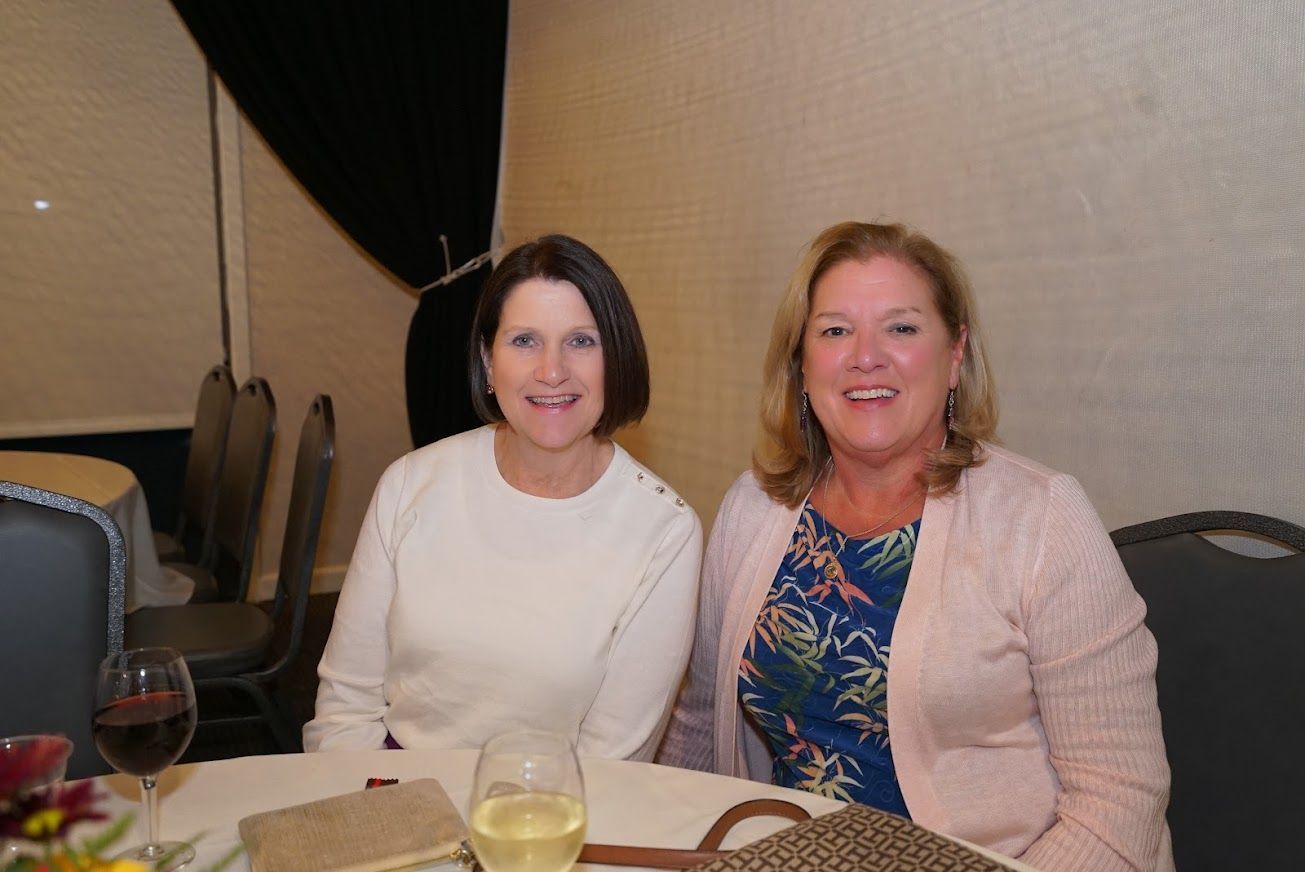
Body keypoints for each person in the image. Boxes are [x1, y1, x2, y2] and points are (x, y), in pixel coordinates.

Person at [658, 222, 1172, 869]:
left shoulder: (1042, 518)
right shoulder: (752, 507)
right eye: (834, 330)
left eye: (900, 328)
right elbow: (702, 721)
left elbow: (1119, 795)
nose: (865, 355)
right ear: (801, 365)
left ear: (954, 355)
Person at [305, 234, 702, 761]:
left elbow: (613, 763)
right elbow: (346, 705)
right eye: (524, 341)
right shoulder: (409, 485)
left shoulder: (664, 532)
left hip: (555, 817)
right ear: (489, 364)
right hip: (395, 795)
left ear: (618, 360)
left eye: (581, 341)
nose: (552, 370)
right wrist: (369, 818)